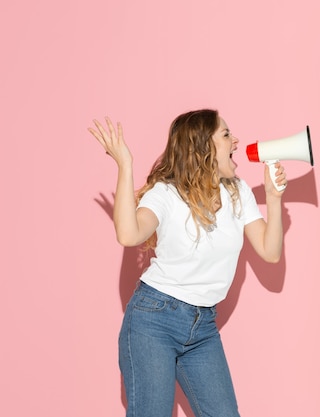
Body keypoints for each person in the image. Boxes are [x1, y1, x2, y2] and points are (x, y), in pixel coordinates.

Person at [88, 109, 287, 417]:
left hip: (203, 327)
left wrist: (273, 199)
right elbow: (129, 234)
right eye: (225, 135)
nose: (235, 140)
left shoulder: (238, 193)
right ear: (202, 147)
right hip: (154, 321)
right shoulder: (165, 194)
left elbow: (270, 251)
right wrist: (125, 165)